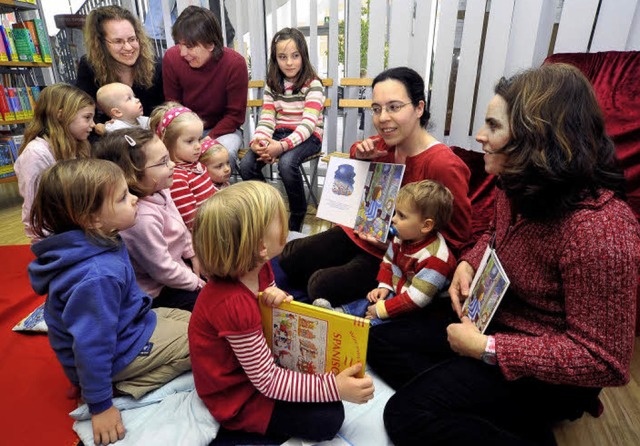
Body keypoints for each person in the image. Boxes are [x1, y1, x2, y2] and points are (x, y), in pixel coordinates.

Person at [378, 63, 640, 445]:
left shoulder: (601, 230)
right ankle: (494, 408)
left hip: (543, 368)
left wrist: (489, 349)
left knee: (405, 414)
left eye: (494, 126)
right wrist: (469, 260)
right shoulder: (515, 182)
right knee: (380, 340)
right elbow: (494, 233)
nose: (480, 136)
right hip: (493, 320)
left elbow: (604, 360)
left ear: (539, 138)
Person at [189, 181, 375, 441]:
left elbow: (270, 320)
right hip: (238, 396)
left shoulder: (261, 267)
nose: (286, 223)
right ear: (261, 246)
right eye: (279, 219)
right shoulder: (232, 304)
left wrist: (276, 297)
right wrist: (334, 387)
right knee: (329, 418)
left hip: (258, 362)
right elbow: (267, 381)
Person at [28, 158, 191, 446]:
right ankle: (121, 387)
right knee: (207, 342)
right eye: (123, 197)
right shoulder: (97, 276)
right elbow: (92, 345)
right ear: (92, 219)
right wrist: (100, 405)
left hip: (131, 325)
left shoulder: (98, 238)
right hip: (118, 350)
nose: (134, 199)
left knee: (197, 321)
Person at [279, 66, 471, 306]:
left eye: (394, 107)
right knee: (289, 256)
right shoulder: (384, 145)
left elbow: (457, 239)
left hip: (397, 256)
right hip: (360, 234)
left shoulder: (443, 164)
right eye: (376, 109)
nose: (382, 118)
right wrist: (359, 156)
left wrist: (397, 240)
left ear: (419, 108)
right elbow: (356, 159)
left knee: (319, 285)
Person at [313, 180, 457, 326]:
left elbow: (418, 299)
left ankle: (364, 326)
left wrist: (382, 310)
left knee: (387, 320)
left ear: (426, 225)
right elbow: (389, 261)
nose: (393, 219)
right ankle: (340, 313)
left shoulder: (436, 258)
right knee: (370, 300)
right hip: (401, 291)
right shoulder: (403, 237)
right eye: (395, 213)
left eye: (401, 216)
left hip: (423, 308)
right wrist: (384, 286)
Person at [94, 128, 204, 311]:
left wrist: (193, 254)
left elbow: (180, 226)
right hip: (158, 291)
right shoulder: (141, 219)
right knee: (208, 305)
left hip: (178, 269)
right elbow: (163, 270)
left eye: (168, 158)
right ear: (132, 175)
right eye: (162, 163)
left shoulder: (160, 189)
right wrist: (198, 283)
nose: (172, 165)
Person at [239, 27, 325, 231]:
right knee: (246, 165)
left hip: (308, 137)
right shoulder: (272, 85)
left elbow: (308, 124)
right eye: (282, 57)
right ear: (275, 59)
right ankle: (269, 206)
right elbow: (267, 119)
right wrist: (260, 143)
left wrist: (281, 147)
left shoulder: (313, 84)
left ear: (303, 55)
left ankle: (297, 213)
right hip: (279, 134)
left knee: (286, 164)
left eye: (295, 56)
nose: (289, 62)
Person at [163, 5, 248, 166]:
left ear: (211, 44)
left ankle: (219, 192)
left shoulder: (235, 64)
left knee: (223, 154)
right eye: (179, 44)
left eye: (189, 46)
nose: (182, 53)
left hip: (222, 130)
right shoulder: (171, 58)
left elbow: (234, 116)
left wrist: (207, 140)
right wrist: (189, 138)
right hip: (185, 130)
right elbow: (173, 106)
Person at [14, 84, 95, 241]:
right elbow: (35, 209)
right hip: (56, 239)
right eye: (87, 117)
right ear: (61, 115)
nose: (93, 124)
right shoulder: (36, 154)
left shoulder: (77, 146)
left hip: (78, 230)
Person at [77, 5, 163, 127]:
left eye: (132, 39)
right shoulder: (90, 67)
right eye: (118, 41)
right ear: (101, 43)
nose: (128, 47)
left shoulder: (157, 67)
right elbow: (84, 116)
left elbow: (167, 114)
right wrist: (103, 130)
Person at [150, 102, 215, 229]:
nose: (198, 146)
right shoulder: (177, 178)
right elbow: (192, 221)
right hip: (207, 234)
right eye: (190, 141)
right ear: (167, 142)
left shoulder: (195, 165)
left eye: (199, 139)